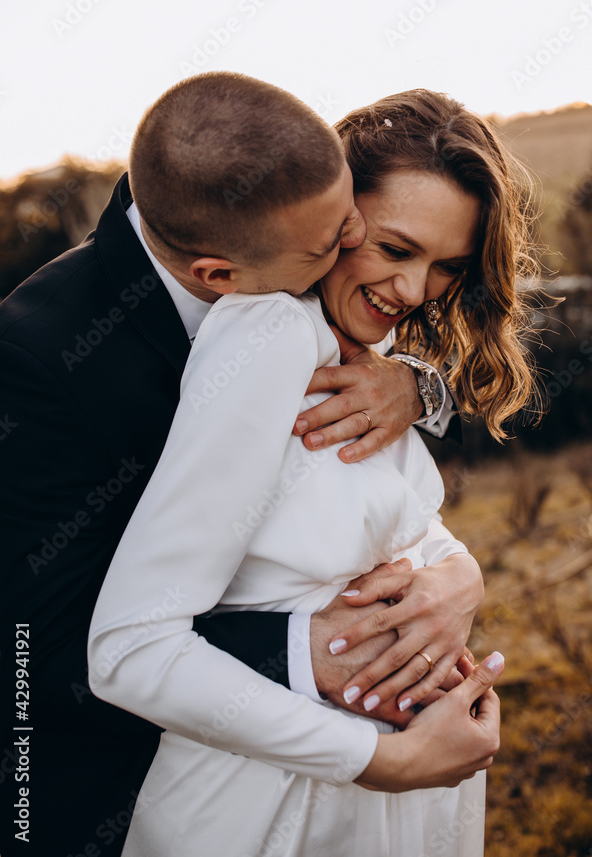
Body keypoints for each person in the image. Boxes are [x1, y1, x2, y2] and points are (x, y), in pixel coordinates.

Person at [0, 74, 474, 857]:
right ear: (216, 274)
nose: (354, 247)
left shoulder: (278, 229)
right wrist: (310, 652)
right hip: (97, 791)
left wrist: (421, 393)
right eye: (346, 241)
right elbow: (33, 657)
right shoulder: (39, 361)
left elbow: (354, 484)